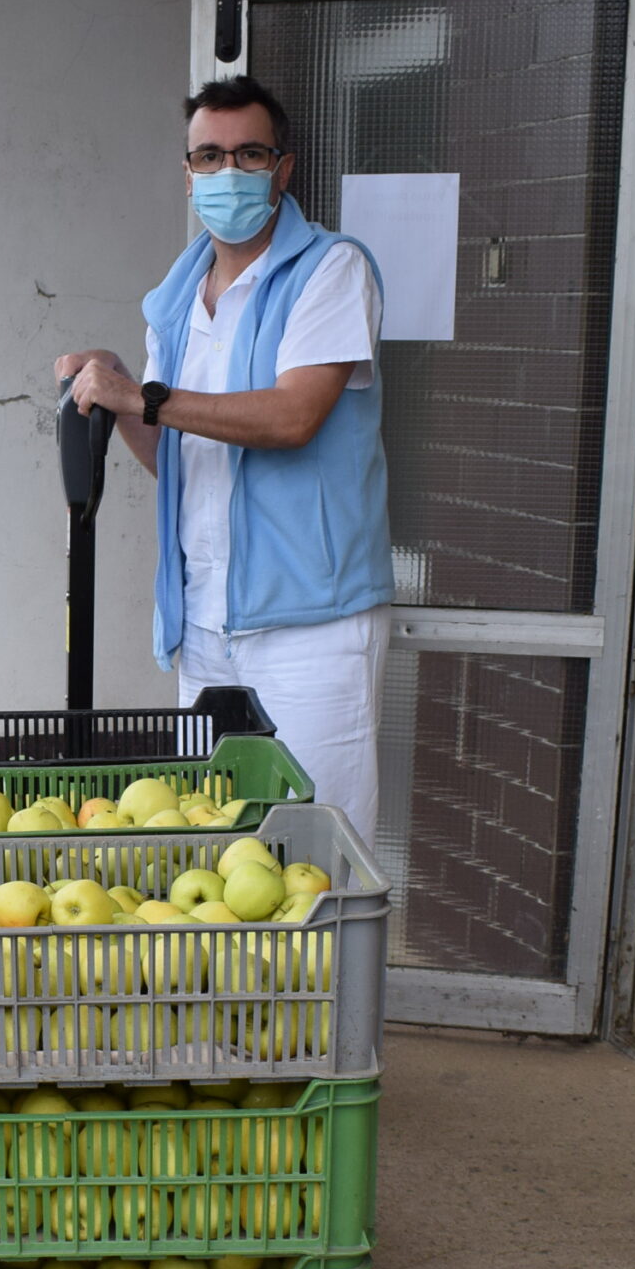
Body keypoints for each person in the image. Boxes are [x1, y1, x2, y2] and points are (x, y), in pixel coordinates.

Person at [58, 75, 392, 839]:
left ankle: (334, 968)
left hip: (313, 624)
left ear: (283, 168)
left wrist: (142, 397)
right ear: (187, 174)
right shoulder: (174, 302)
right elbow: (174, 453)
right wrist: (114, 391)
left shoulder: (333, 271)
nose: (227, 172)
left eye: (248, 154)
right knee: (215, 848)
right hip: (204, 624)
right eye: (208, 156)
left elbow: (293, 416)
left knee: (318, 845)